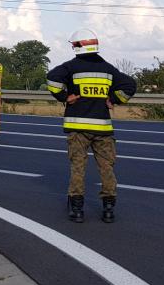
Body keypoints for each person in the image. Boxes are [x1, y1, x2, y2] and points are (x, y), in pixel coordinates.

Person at [46, 29, 136, 224]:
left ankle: (77, 210)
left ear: (79, 46)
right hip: (102, 129)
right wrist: (113, 99)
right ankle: (108, 210)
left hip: (77, 128)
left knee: (78, 168)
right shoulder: (108, 68)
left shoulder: (70, 67)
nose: (71, 47)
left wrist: (64, 97)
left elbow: (52, 80)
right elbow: (130, 86)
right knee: (107, 168)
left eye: (73, 45)